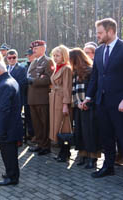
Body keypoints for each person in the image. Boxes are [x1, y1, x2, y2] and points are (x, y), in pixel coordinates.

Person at [82, 18, 123, 178]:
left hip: (119, 103)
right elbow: (95, 77)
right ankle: (108, 167)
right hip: (102, 102)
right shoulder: (99, 51)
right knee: (106, 136)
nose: (97, 36)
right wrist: (89, 96)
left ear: (111, 31)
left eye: (100, 32)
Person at [0, 61, 24, 186]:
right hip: (10, 127)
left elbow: (4, 110)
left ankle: (12, 177)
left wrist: (1, 130)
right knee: (8, 154)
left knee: (9, 154)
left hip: (8, 128)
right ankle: (10, 173)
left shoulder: (5, 85)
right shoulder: (8, 81)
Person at [70, 48, 101, 168]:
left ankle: (93, 157)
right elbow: (73, 89)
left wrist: (87, 102)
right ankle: (83, 154)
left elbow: (95, 89)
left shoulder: (90, 71)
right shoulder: (75, 72)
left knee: (91, 132)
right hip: (79, 106)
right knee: (80, 132)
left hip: (90, 107)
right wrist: (77, 102)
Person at [27, 40, 54, 156]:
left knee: (44, 123)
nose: (34, 50)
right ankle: (39, 143)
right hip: (32, 98)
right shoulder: (34, 62)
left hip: (42, 98)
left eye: (36, 48)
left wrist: (35, 81)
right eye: (33, 48)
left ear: (43, 48)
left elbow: (49, 79)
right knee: (36, 124)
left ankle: (46, 146)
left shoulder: (48, 61)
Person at [49, 45, 73, 162]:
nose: (55, 58)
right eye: (54, 55)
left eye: (57, 55)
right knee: (57, 127)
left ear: (63, 56)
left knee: (64, 127)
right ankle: (62, 152)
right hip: (54, 100)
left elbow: (67, 88)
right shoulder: (57, 68)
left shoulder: (66, 68)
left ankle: (65, 153)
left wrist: (65, 104)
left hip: (61, 101)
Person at [6, 49, 28, 146]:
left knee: (17, 120)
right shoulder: (5, 69)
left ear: (17, 58)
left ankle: (19, 139)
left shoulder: (22, 69)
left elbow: (22, 84)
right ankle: (10, 137)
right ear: (7, 58)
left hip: (17, 99)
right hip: (6, 99)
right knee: (8, 119)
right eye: (9, 58)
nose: (11, 60)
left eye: (14, 57)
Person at [23, 48, 36, 142]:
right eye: (27, 55)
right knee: (28, 116)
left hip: (35, 95)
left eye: (29, 55)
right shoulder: (25, 66)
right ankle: (30, 134)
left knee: (34, 117)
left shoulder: (37, 65)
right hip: (26, 95)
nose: (28, 57)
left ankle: (35, 136)